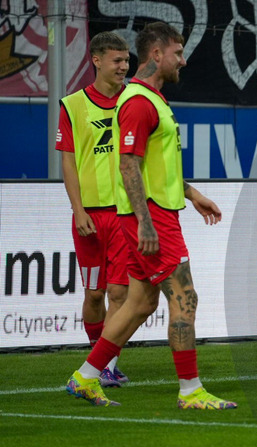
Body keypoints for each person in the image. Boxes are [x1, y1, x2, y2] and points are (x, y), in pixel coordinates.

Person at [64, 21, 236, 410]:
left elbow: (155, 166)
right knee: (185, 296)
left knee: (141, 303)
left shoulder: (152, 100)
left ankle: (85, 378)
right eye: (177, 52)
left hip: (158, 213)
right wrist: (144, 221)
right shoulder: (140, 102)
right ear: (156, 54)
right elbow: (128, 165)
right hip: (152, 218)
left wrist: (192, 194)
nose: (183, 60)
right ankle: (191, 390)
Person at [56, 31, 133, 388]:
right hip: (89, 215)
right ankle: (96, 353)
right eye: (117, 60)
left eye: (127, 60)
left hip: (123, 215)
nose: (124, 66)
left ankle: (106, 365)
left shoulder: (134, 100)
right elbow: (68, 162)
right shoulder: (72, 105)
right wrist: (78, 209)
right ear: (97, 61)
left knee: (120, 293)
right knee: (94, 294)